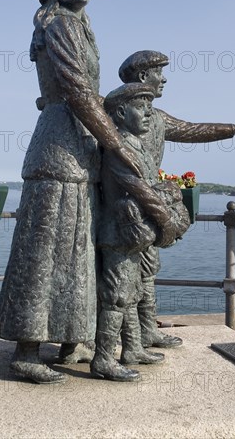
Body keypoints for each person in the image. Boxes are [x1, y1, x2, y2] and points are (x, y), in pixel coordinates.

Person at [0, 0, 143, 384]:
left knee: (76, 249)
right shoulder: (59, 24)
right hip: (60, 147)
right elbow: (77, 91)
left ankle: (69, 338)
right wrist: (119, 145)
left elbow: (87, 95)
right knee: (45, 250)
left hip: (80, 146)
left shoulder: (79, 26)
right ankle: (25, 351)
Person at [119, 50, 235, 349]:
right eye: (159, 72)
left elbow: (192, 130)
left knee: (148, 271)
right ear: (143, 76)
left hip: (149, 205)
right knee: (122, 278)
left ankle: (146, 332)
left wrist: (234, 129)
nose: (164, 79)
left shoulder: (158, 118)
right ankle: (121, 341)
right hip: (124, 206)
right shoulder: (117, 111)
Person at [91, 83, 189, 382]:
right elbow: (140, 189)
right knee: (117, 298)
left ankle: (132, 349)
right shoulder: (119, 147)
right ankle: (104, 359)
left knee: (130, 295)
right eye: (140, 106)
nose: (148, 113)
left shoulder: (136, 145)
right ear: (120, 112)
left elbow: (150, 186)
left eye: (150, 106)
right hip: (120, 233)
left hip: (134, 235)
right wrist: (168, 222)